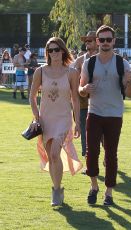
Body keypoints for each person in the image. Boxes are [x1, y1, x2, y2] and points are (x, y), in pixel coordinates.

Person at [79, 25, 131, 206]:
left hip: (114, 115)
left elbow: (130, 93)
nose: (105, 43)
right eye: (101, 39)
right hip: (94, 112)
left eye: (108, 39)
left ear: (114, 41)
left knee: (111, 154)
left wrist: (129, 81)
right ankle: (94, 186)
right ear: (97, 41)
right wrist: (85, 89)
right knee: (91, 152)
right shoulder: (90, 63)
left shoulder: (122, 63)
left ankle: (108, 193)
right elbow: (81, 89)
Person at [29, 37, 82, 206]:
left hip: (63, 119)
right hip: (46, 119)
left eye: (57, 49)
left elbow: (75, 99)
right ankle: (56, 188)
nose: (54, 53)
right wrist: (37, 117)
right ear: (47, 53)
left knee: (54, 153)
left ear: (63, 51)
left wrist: (77, 123)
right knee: (51, 157)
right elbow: (31, 96)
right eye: (50, 50)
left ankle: (56, 192)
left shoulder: (72, 72)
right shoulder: (40, 71)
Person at [74, 31, 98, 160]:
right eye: (86, 41)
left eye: (90, 40)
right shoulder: (80, 60)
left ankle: (107, 157)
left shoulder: (105, 58)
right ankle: (87, 159)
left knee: (103, 134)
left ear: (97, 42)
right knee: (85, 132)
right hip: (83, 102)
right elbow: (71, 77)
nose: (87, 43)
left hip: (101, 102)